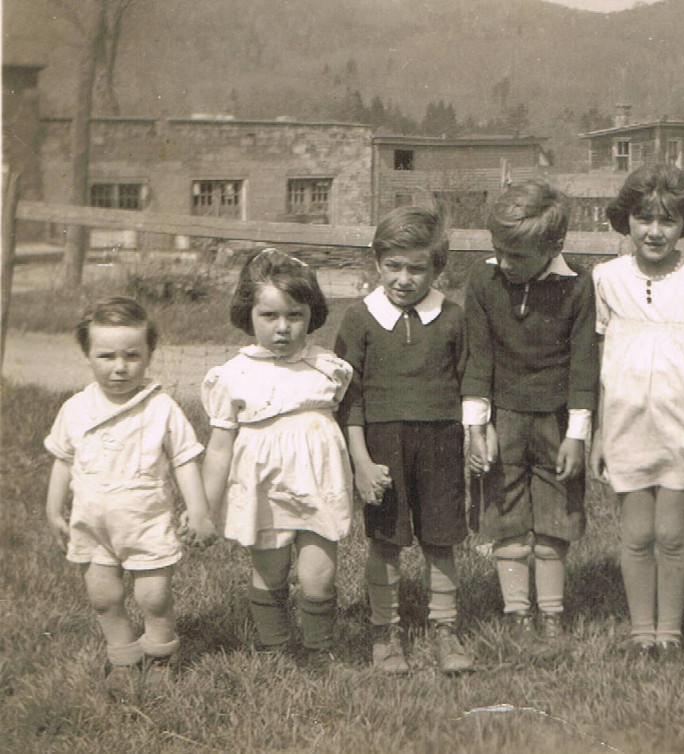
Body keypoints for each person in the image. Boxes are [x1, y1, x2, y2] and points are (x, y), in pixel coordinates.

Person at [589, 164, 684, 660]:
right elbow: (596, 364)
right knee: (636, 536)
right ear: (625, 221)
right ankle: (641, 632)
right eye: (643, 219)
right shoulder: (607, 279)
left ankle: (669, 631)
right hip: (627, 425)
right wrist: (596, 435)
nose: (655, 231)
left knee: (672, 535)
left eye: (668, 221)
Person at [43, 297, 216, 702]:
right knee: (104, 597)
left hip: (146, 523)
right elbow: (63, 460)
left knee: (153, 597)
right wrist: (53, 508)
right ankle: (123, 659)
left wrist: (198, 509)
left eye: (132, 356)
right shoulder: (76, 408)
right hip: (93, 524)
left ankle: (159, 655)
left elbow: (186, 460)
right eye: (106, 356)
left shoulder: (161, 408)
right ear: (87, 355)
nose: (119, 367)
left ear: (149, 355)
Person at [334, 205, 474, 675]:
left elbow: (468, 383)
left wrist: (473, 438)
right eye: (393, 266)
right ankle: (384, 631)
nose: (404, 278)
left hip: (441, 444)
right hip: (383, 448)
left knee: (441, 540)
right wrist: (361, 462)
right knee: (385, 541)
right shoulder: (360, 319)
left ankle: (445, 628)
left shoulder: (453, 318)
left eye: (417, 268)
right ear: (377, 263)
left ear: (437, 268)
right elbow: (350, 401)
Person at [202, 249, 354, 667]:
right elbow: (218, 447)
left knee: (318, 576)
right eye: (269, 316)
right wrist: (204, 506)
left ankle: (318, 649)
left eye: (295, 315)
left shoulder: (329, 369)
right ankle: (276, 649)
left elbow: (348, 421)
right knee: (269, 572)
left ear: (312, 315)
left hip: (319, 482)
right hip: (263, 486)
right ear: (248, 315)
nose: (283, 328)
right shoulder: (233, 375)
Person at [463, 181, 598, 643]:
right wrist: (478, 427)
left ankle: (553, 613)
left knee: (555, 517)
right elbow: (477, 358)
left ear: (553, 247)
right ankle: (517, 612)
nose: (504, 262)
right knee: (506, 514)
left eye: (517, 255)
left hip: (556, 422)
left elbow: (584, 364)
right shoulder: (483, 280)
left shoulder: (578, 287)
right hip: (504, 418)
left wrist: (577, 433)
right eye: (498, 250)